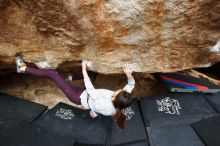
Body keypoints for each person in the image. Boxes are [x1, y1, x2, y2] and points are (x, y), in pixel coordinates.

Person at [15, 56, 135, 129]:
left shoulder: (104, 104)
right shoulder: (119, 100)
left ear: (114, 97)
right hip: (87, 95)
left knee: (52, 73)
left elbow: (89, 87)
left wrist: (83, 68)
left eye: (118, 92)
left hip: (77, 97)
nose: (120, 89)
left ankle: (22, 68)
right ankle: (69, 78)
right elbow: (130, 85)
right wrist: (129, 75)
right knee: (94, 72)